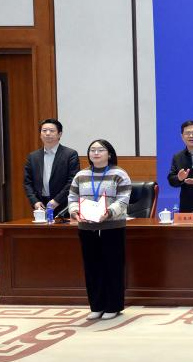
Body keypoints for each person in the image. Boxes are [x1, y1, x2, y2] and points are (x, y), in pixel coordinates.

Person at [67, 139, 132, 320]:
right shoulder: (81, 175)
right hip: (86, 227)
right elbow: (72, 197)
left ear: (109, 154)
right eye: (92, 150)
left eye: (100, 150)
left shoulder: (119, 174)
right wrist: (74, 211)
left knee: (113, 266)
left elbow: (123, 199)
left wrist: (108, 212)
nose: (96, 153)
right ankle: (96, 305)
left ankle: (113, 306)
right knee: (92, 267)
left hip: (112, 226)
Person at [22, 118, 79, 216]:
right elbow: (27, 182)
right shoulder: (33, 156)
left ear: (59, 134)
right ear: (40, 134)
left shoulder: (70, 154)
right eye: (44, 130)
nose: (47, 133)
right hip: (41, 205)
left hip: (62, 204)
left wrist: (57, 200)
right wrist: (35, 201)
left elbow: (72, 181)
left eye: (52, 131)